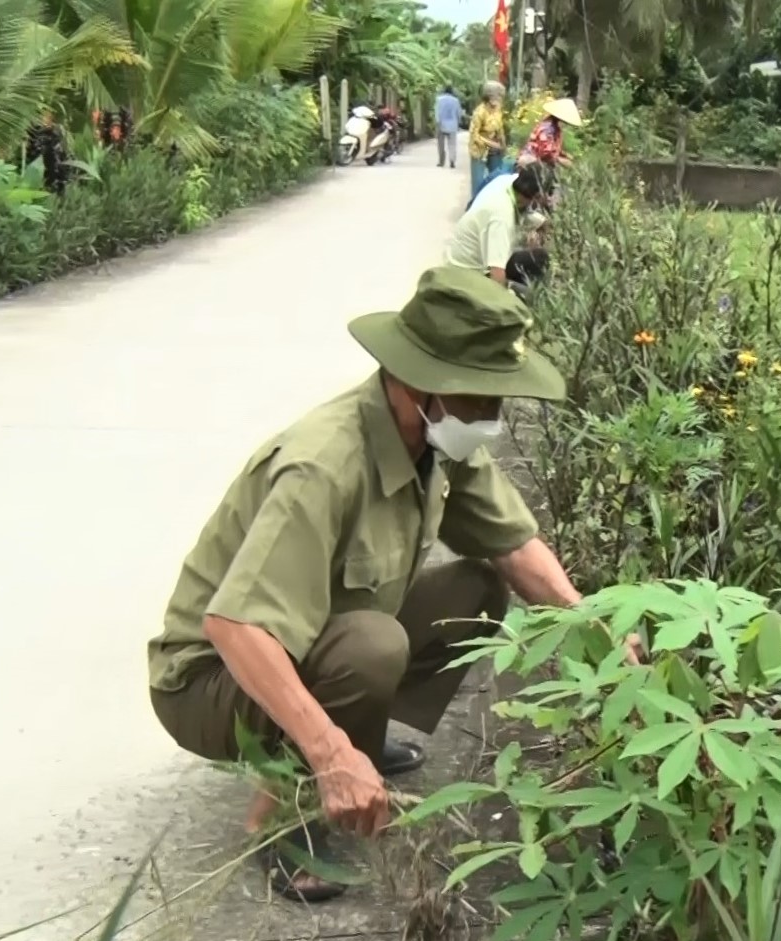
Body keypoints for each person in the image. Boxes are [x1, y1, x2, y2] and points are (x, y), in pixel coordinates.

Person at [146, 266, 622, 902]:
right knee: (372, 645)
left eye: (496, 399)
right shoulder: (325, 464)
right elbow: (235, 626)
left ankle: (358, 735)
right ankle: (282, 820)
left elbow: (512, 545)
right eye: (478, 398)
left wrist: (592, 628)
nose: (491, 418)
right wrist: (329, 752)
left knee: (476, 591)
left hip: (312, 639)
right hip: (210, 680)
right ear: (417, 381)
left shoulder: (436, 441)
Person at [447, 164, 553, 283]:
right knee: (538, 260)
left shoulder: (508, 182)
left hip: (463, 259)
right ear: (538, 196)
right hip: (468, 275)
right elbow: (496, 272)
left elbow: (527, 212)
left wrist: (542, 223)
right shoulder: (501, 217)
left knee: (536, 256)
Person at [468, 82, 508, 202]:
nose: (500, 99)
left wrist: (503, 146)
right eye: (498, 96)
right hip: (479, 150)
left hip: (495, 150)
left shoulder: (497, 110)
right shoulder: (479, 112)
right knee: (478, 183)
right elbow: (474, 134)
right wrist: (490, 143)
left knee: (496, 179)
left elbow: (500, 129)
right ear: (490, 97)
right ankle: (474, 207)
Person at [518, 97, 584, 169]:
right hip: (530, 161)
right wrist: (561, 160)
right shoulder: (547, 128)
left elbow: (553, 149)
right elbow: (546, 153)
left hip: (538, 160)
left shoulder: (555, 129)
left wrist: (566, 156)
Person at [434, 85, 463, 169]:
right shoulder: (456, 100)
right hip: (452, 125)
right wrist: (459, 121)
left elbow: (437, 112)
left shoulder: (439, 99)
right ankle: (452, 161)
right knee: (452, 144)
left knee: (441, 144)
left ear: (444, 91)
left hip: (441, 124)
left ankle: (441, 161)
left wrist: (437, 122)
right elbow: (459, 113)